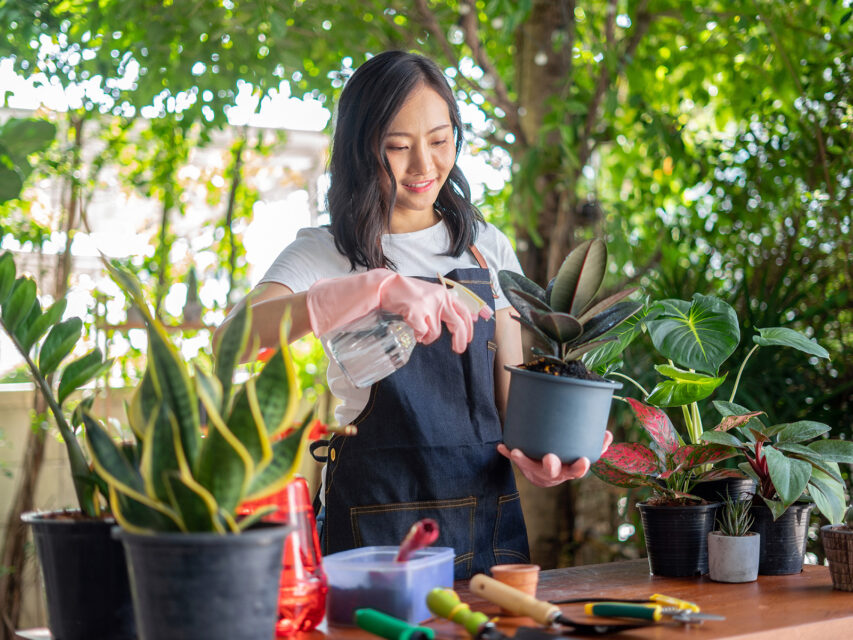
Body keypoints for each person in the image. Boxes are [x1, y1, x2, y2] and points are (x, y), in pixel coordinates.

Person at [215, 50, 612, 579]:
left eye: (440, 141)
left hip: (486, 517)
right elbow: (230, 341)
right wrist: (376, 287)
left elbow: (510, 400)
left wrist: (541, 456)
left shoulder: (484, 249)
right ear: (360, 149)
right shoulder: (327, 251)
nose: (424, 167)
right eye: (398, 147)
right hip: (374, 520)